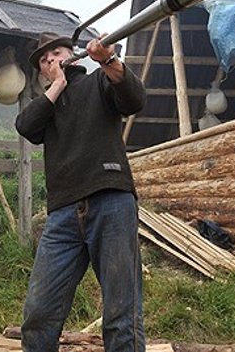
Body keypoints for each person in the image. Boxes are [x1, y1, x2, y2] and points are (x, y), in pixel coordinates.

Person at [16, 31, 146, 352]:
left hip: (111, 199)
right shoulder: (46, 105)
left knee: (121, 311)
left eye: (56, 53)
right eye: (44, 60)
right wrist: (57, 86)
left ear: (73, 55)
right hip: (63, 212)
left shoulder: (98, 81)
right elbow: (25, 126)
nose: (51, 60)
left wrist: (108, 60)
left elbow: (134, 99)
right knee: (39, 311)